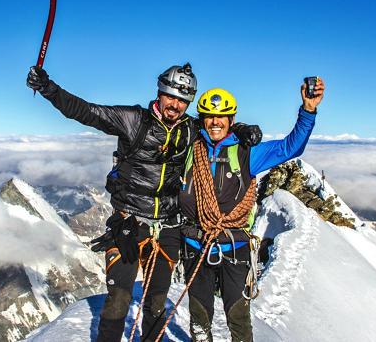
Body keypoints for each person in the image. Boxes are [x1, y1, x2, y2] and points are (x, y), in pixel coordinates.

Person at [26, 63, 263, 342]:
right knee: (119, 300)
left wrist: (244, 129)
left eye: (182, 100)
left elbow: (218, 126)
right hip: (129, 222)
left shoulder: (190, 128)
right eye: (170, 96)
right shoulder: (132, 120)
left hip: (168, 228)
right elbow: (86, 112)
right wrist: (47, 88)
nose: (175, 104)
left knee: (155, 303)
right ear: (159, 92)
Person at [178, 79, 325, 342]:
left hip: (234, 249)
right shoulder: (189, 149)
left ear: (231, 119)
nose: (215, 122)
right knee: (199, 320)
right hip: (195, 245)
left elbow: (290, 147)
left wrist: (308, 111)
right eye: (209, 116)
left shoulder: (247, 153)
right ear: (201, 119)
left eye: (221, 116)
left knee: (238, 318)